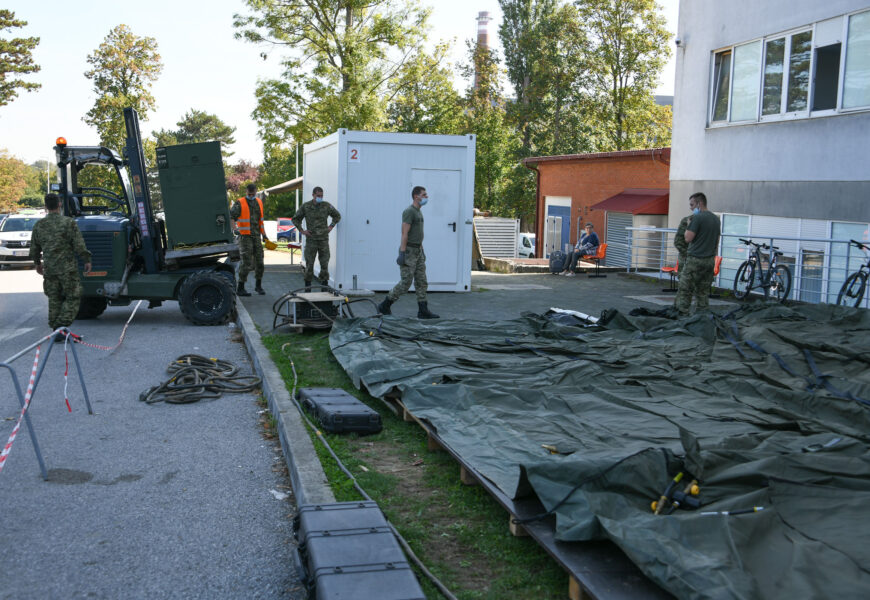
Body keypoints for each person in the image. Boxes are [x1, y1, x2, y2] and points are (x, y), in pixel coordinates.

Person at [29, 193, 92, 338]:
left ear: (45, 207)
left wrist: (37, 264)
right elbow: (78, 245)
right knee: (73, 296)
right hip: (67, 268)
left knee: (54, 297)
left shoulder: (39, 225)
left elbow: (34, 248)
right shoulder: (68, 223)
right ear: (59, 204)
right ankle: (60, 326)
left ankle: (56, 331)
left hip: (50, 269)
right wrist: (86, 260)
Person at [377, 186, 439, 319]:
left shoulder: (419, 211)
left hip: (418, 251)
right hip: (409, 251)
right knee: (406, 282)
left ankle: (423, 310)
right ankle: (385, 305)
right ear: (416, 196)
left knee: (421, 281)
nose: (426, 197)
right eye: (424, 195)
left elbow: (418, 233)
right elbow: (404, 233)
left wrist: (422, 250)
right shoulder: (409, 211)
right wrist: (402, 253)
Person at [676, 192, 721, 315]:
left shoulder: (697, 218)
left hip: (695, 260)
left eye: (692, 205)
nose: (691, 208)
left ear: (699, 204)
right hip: (709, 260)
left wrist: (689, 226)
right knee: (703, 291)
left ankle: (682, 316)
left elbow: (687, 239)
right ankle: (702, 317)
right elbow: (717, 241)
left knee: (686, 289)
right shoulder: (715, 219)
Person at [292, 186, 341, 290]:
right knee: (309, 264)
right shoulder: (306, 206)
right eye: (318, 196)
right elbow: (295, 219)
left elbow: (337, 216)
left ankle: (324, 288)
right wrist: (302, 231)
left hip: (323, 239)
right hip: (311, 240)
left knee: (324, 264)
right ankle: (307, 288)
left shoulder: (326, 206)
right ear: (313, 195)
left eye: (321, 196)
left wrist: (331, 226)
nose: (320, 198)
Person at [230, 183, 270, 296]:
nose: (251, 196)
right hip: (245, 236)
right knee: (246, 262)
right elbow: (231, 216)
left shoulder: (259, 202)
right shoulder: (240, 202)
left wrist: (264, 235)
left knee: (260, 262)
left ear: (256, 192)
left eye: (253, 194)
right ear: (246, 192)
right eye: (249, 194)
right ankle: (240, 287)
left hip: (256, 236)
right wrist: (235, 229)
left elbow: (260, 221)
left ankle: (258, 286)